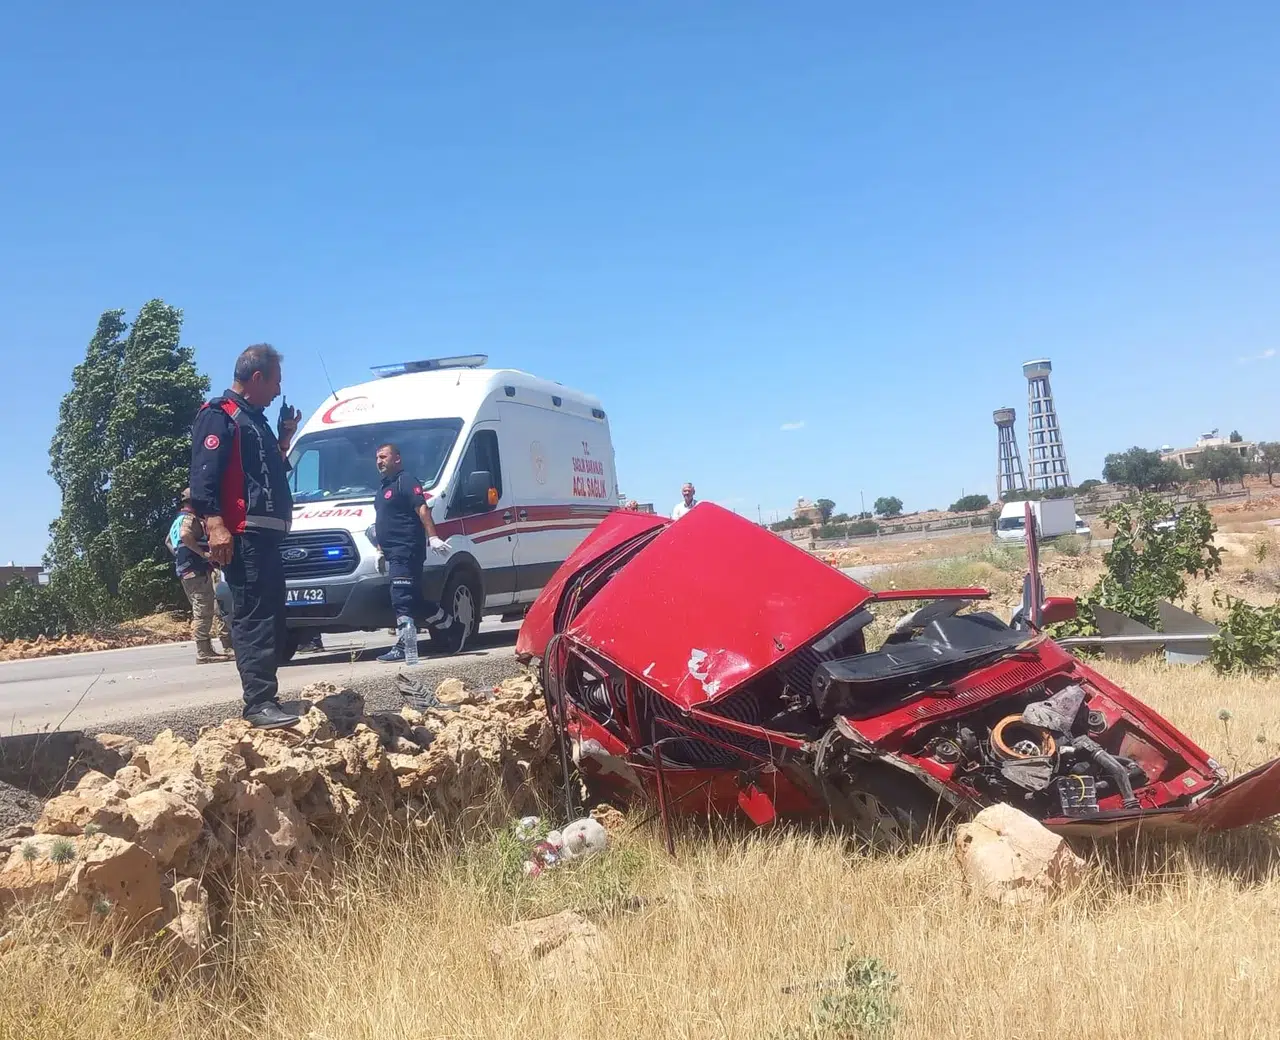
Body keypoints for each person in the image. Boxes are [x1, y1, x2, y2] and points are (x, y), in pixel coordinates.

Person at [189, 344, 301, 729]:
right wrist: (215, 524)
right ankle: (258, 704)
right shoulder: (220, 415)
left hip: (267, 537)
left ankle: (267, 697)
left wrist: (285, 437)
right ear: (257, 378)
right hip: (244, 536)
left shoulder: (256, 421)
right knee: (254, 618)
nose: (277, 391)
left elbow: (268, 474)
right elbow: (204, 476)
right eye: (275, 382)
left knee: (272, 616)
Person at [371, 442, 462, 663]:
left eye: (384, 457)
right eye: (377, 458)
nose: (379, 461)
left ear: (397, 459)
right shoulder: (383, 487)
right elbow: (384, 521)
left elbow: (422, 509)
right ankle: (453, 627)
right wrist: (380, 550)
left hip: (406, 549)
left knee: (401, 597)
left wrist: (433, 537)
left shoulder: (407, 481)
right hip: (392, 553)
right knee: (415, 601)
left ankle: (406, 646)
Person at [166, 488, 232, 663]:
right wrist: (201, 555)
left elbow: (168, 541)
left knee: (211, 606)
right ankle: (204, 651)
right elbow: (185, 535)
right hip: (196, 570)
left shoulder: (177, 520)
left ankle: (217, 647)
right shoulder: (189, 519)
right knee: (204, 608)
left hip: (186, 570)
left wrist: (181, 557)